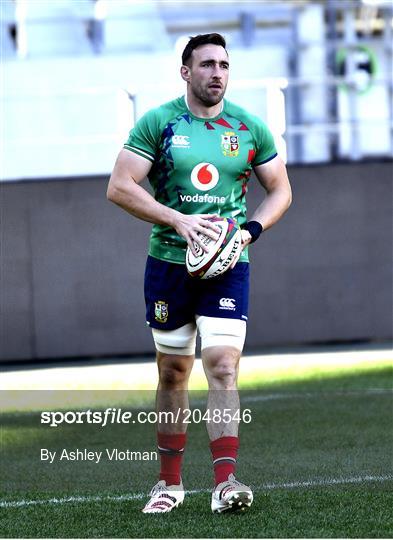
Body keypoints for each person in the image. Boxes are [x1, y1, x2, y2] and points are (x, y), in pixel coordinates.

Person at [107, 33, 292, 514]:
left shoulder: (250, 128)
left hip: (228, 266)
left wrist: (247, 233)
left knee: (224, 367)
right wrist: (177, 219)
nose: (217, 73)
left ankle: (226, 483)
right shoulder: (159, 122)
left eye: (224, 65)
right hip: (168, 263)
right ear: (186, 72)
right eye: (207, 64)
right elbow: (120, 186)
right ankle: (169, 485)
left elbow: (280, 192)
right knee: (173, 372)